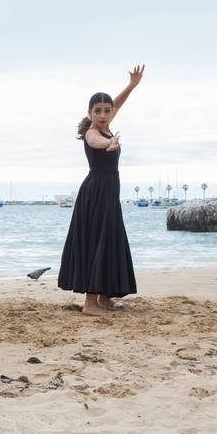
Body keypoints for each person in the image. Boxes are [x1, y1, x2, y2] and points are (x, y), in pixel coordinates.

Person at [58, 65, 145, 315]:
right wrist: (110, 143)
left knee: (110, 240)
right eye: (98, 111)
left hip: (108, 193)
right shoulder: (92, 133)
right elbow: (97, 142)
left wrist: (131, 85)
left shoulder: (106, 122)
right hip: (96, 193)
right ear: (90, 113)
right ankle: (89, 304)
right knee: (97, 240)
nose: (104, 114)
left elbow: (117, 103)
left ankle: (104, 297)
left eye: (107, 111)